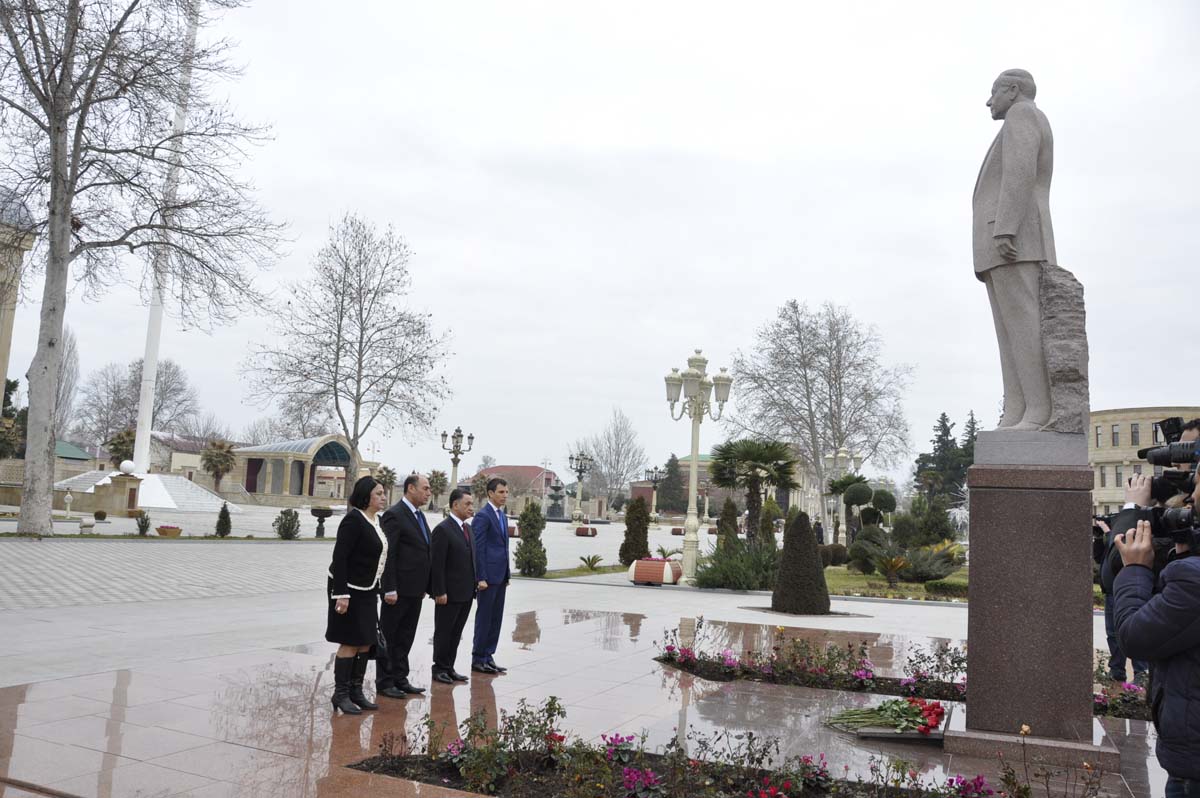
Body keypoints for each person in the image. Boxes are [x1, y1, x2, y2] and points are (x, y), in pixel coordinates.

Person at [972, 68, 1055, 430]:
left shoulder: (1023, 115)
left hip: (1015, 242)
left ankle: (1038, 411)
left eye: (994, 92)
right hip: (1002, 246)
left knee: (1023, 327)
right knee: (1009, 333)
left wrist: (1005, 228)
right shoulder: (1016, 121)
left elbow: (1019, 173)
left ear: (1013, 90)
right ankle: (1017, 409)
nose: (990, 101)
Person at [1113, 473, 1200, 798]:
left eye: (1196, 482)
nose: (1189, 497)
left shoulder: (1193, 581)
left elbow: (1134, 636)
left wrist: (1134, 569)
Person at [325, 475, 389, 715]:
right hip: (348, 590)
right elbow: (340, 558)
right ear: (366, 496)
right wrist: (341, 593)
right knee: (350, 641)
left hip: (368, 589)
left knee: (365, 641)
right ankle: (340, 694)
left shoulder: (376, 520)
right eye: (378, 494)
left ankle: (356, 691)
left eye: (383, 493)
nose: (383, 497)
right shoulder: (353, 520)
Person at [376, 473, 433, 699]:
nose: (429, 493)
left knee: (405, 636)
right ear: (411, 488)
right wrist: (389, 587)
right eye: (425, 488)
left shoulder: (419, 515)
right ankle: (385, 681)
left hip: (415, 590)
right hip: (397, 590)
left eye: (429, 489)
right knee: (390, 636)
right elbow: (389, 554)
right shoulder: (395, 515)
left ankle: (400, 678)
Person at [430, 488, 477, 684]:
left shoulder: (468, 529)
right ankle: (439, 668)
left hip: (466, 592)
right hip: (448, 593)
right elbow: (437, 564)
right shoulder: (443, 529)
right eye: (467, 504)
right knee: (444, 632)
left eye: (471, 504)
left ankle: (449, 667)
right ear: (455, 505)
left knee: (456, 632)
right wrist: (439, 591)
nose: (471, 508)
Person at [1094, 517, 1147, 681]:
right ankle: (1117, 670)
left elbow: (1117, 555)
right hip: (1110, 592)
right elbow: (1097, 557)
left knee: (1134, 632)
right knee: (1112, 634)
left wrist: (1109, 533)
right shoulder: (1110, 538)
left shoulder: (1125, 535)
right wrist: (1098, 538)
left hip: (1125, 591)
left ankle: (1140, 673)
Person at [471, 477, 511, 674]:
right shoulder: (483, 516)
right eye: (501, 492)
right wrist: (481, 577)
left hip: (500, 576)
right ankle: (478, 657)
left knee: (496, 618)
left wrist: (507, 574)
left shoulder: (502, 516)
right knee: (485, 618)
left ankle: (489, 655)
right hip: (487, 578)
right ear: (490, 493)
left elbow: (503, 547)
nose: (505, 495)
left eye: (506, 492)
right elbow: (478, 548)